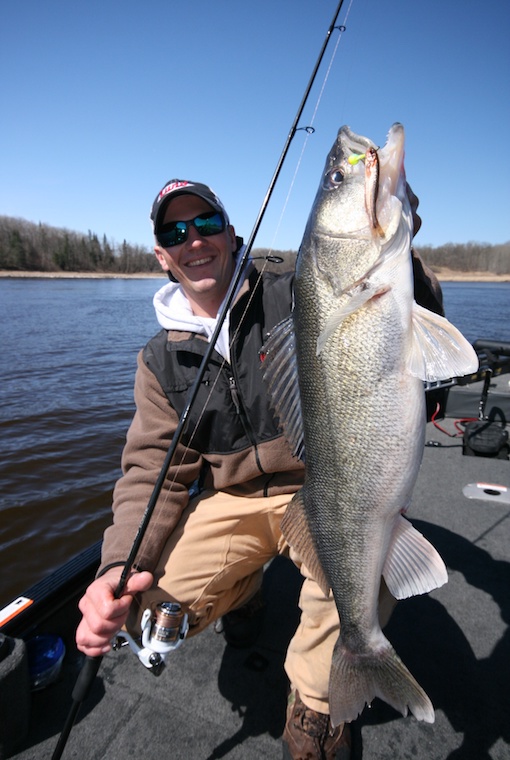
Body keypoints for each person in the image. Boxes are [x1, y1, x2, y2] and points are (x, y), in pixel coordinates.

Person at [76, 178, 444, 760]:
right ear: (161, 254)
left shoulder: (296, 290)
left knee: (363, 574)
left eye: (205, 224)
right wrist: (119, 565)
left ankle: (318, 706)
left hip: (316, 484)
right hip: (233, 501)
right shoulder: (157, 360)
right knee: (145, 615)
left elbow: (391, 306)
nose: (193, 240)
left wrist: (399, 238)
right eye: (175, 231)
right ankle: (243, 588)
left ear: (230, 231)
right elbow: (152, 471)